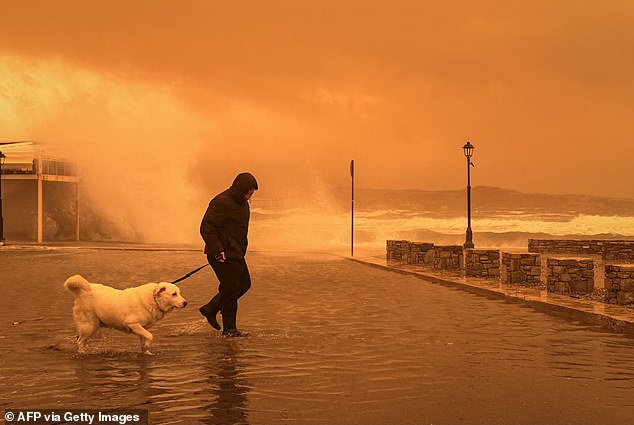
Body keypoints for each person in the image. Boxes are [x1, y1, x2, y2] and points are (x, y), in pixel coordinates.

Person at [199, 172, 258, 337]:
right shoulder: (221, 202)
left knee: (244, 284)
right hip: (221, 254)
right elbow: (206, 228)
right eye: (248, 193)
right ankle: (230, 329)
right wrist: (218, 250)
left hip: (236, 253)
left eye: (251, 193)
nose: (249, 196)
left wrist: (241, 249)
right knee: (230, 289)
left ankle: (211, 308)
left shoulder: (243, 204)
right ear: (240, 189)